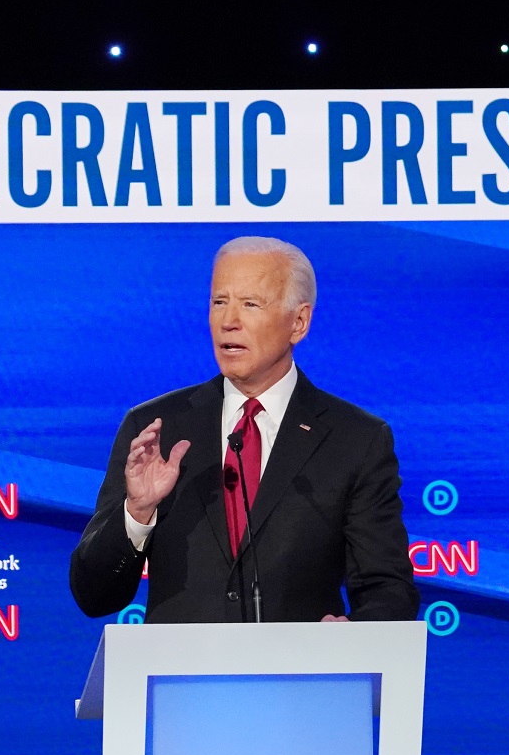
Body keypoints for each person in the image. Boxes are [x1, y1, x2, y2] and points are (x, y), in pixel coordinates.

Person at [70, 237, 419, 623]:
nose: (228, 321)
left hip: (300, 677)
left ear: (298, 322)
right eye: (219, 302)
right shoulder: (156, 429)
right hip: (179, 679)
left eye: (250, 304)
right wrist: (137, 511)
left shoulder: (355, 439)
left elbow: (388, 589)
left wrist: (352, 635)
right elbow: (94, 595)